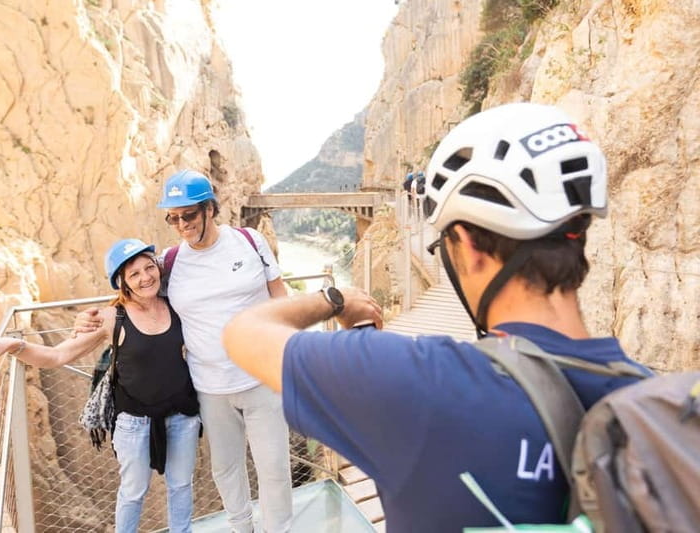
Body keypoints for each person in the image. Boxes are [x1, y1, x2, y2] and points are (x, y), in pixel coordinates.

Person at [220, 103, 652, 532]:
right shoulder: (660, 407)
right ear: (577, 234)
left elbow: (244, 332)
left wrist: (335, 299)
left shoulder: (415, 381)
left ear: (466, 243)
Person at [77, 170, 293, 533]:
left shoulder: (249, 241)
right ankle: (243, 528)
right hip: (209, 387)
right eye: (173, 217)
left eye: (188, 215)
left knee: (273, 467)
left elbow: (279, 296)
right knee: (225, 468)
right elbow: (137, 289)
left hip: (261, 377)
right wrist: (93, 315)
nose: (181, 224)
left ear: (210, 209)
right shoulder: (172, 261)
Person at [0, 239, 201, 533]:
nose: (146, 277)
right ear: (122, 281)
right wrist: (14, 345)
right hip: (134, 422)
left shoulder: (176, 305)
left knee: (181, 486)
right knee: (133, 493)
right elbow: (59, 354)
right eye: (134, 274)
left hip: (182, 415)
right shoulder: (111, 317)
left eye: (149, 268)